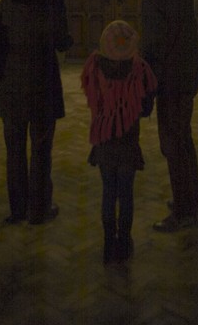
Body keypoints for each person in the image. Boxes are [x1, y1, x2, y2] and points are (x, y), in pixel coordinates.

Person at [0, 0, 73, 225]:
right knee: (42, 150)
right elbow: (62, 41)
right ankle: (40, 210)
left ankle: (17, 210)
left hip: (11, 84)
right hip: (42, 85)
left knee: (15, 151)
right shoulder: (54, 1)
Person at [130, 0, 198, 233]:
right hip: (186, 72)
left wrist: (145, 83)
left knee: (172, 142)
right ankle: (190, 199)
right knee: (183, 137)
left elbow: (154, 44)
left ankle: (185, 211)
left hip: (172, 78)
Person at [81, 20, 158, 263]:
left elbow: (92, 98)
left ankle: (108, 242)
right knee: (125, 194)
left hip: (104, 140)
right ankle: (124, 241)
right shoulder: (139, 69)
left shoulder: (95, 68)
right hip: (127, 142)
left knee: (108, 192)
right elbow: (145, 108)